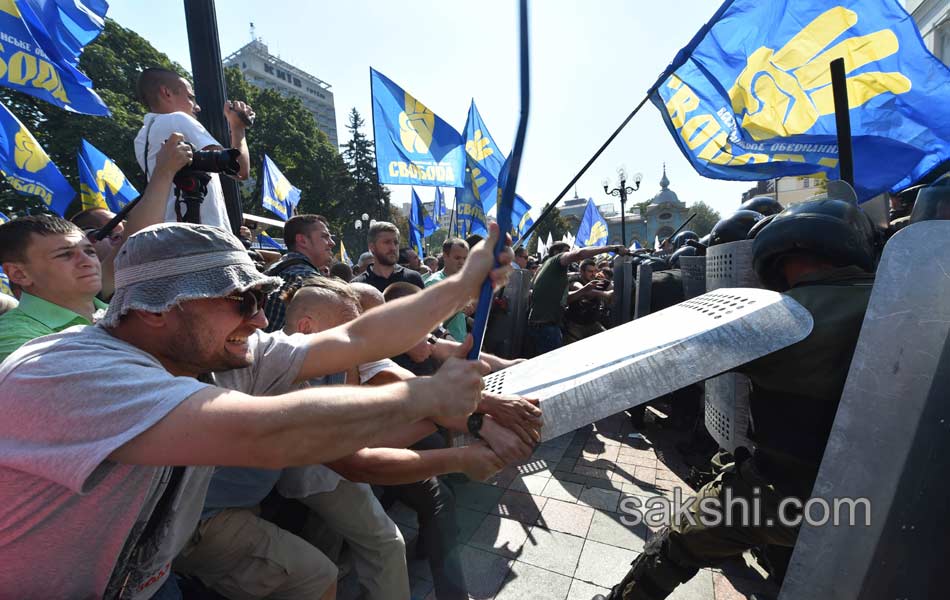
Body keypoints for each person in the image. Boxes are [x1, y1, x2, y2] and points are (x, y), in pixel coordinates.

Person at [0, 221, 511, 598]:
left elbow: (358, 334)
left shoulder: (214, 346)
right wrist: (424, 396)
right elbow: (263, 435)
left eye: (260, 297)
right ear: (156, 310)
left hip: (144, 582)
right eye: (241, 301)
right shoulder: (67, 369)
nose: (261, 317)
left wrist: (463, 283)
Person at [596, 195, 877, 600]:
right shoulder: (901, 297)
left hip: (794, 490)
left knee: (681, 539)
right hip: (879, 495)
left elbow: (665, 360)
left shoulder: (786, 315)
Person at [0, 135, 193, 359]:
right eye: (65, 255)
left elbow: (136, 240)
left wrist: (165, 171)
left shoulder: (116, 310)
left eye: (89, 251)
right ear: (18, 273)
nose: (87, 261)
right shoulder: (14, 339)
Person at [134, 67, 253, 229]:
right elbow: (240, 169)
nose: (197, 107)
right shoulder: (179, 119)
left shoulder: (141, 137)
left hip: (168, 231)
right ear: (166, 93)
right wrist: (238, 128)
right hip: (202, 234)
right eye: (190, 98)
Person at [528, 241, 627, 355]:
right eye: (567, 251)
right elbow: (579, 254)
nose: (570, 254)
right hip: (545, 326)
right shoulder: (555, 262)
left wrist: (584, 290)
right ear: (556, 253)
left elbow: (565, 299)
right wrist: (613, 248)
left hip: (550, 326)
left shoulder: (557, 274)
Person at [262, 214, 336, 332]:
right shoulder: (308, 280)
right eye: (324, 237)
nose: (332, 243)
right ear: (302, 240)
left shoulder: (277, 268)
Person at [352, 221, 425, 292]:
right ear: (372, 247)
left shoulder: (413, 279)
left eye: (396, 242)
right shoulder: (357, 285)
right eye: (387, 242)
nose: (393, 248)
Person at [424, 238, 471, 342]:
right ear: (445, 256)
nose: (462, 262)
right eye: (457, 258)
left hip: (459, 344)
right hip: (441, 347)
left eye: (465, 258)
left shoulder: (462, 281)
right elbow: (429, 319)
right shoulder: (435, 283)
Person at [563, 259, 611, 344]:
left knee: (608, 342)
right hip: (575, 324)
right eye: (590, 271)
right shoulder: (574, 279)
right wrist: (605, 294)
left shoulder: (598, 280)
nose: (593, 274)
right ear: (581, 271)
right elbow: (583, 290)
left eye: (594, 271)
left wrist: (607, 282)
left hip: (592, 323)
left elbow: (613, 290)